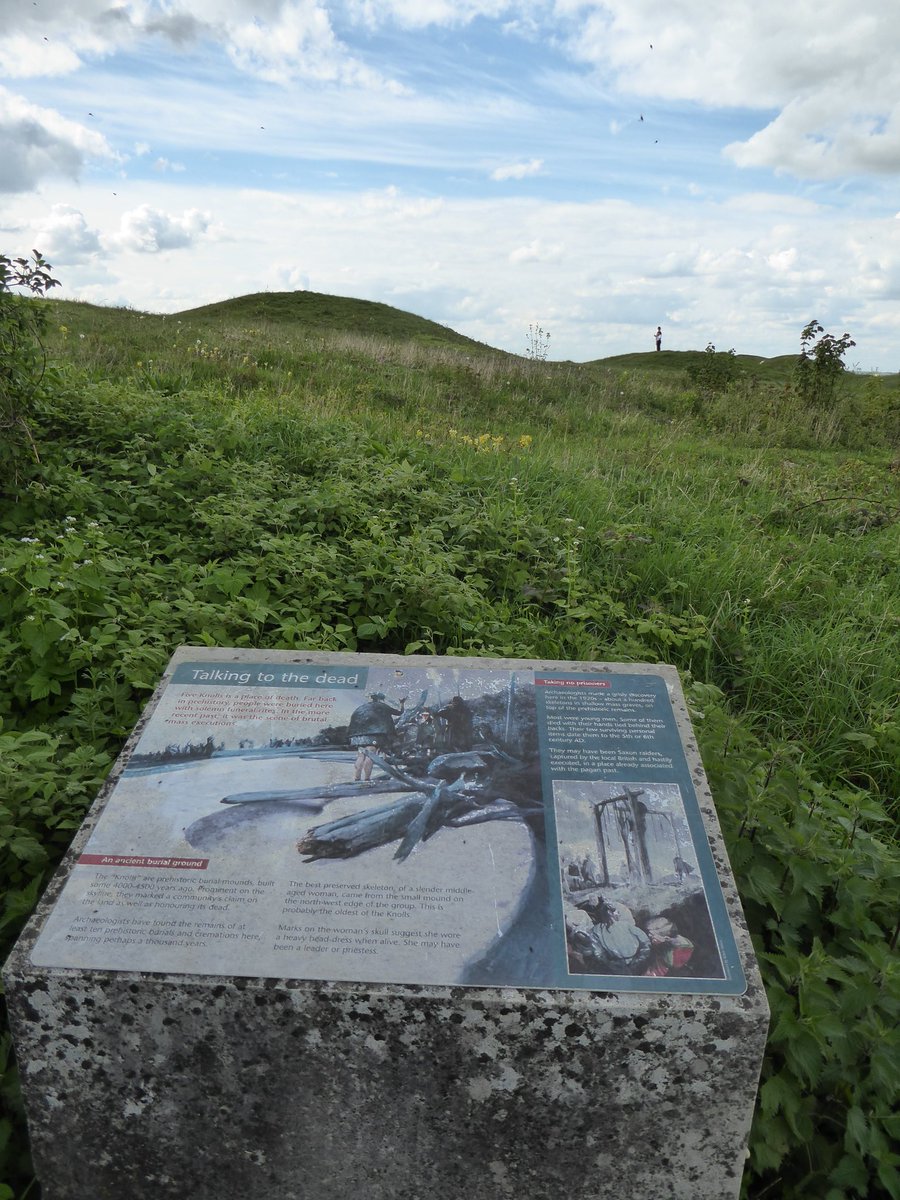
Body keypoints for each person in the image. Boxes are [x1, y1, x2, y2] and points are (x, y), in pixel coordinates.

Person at [347, 691, 406, 781]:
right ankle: (367, 778)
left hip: (358, 737)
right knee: (370, 755)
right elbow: (400, 712)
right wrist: (402, 703)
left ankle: (357, 777)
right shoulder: (383, 706)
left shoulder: (362, 708)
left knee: (360, 755)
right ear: (380, 699)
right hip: (374, 735)